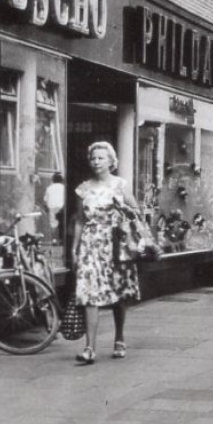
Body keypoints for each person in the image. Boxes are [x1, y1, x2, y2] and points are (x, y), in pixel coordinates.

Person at [71, 143, 140, 364]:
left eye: (101, 158)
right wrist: (74, 249)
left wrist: (125, 212)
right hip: (91, 244)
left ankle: (119, 337)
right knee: (89, 292)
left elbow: (136, 211)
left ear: (111, 161)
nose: (96, 162)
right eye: (93, 158)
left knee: (118, 292)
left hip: (116, 243)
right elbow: (80, 221)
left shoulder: (120, 185)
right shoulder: (83, 189)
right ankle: (89, 347)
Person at [44, 171, 66, 243]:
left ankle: (54, 239)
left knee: (53, 223)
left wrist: (46, 208)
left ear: (53, 179)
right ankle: (62, 239)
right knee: (62, 223)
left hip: (52, 207)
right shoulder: (64, 188)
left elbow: (45, 199)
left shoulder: (49, 188)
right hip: (62, 207)